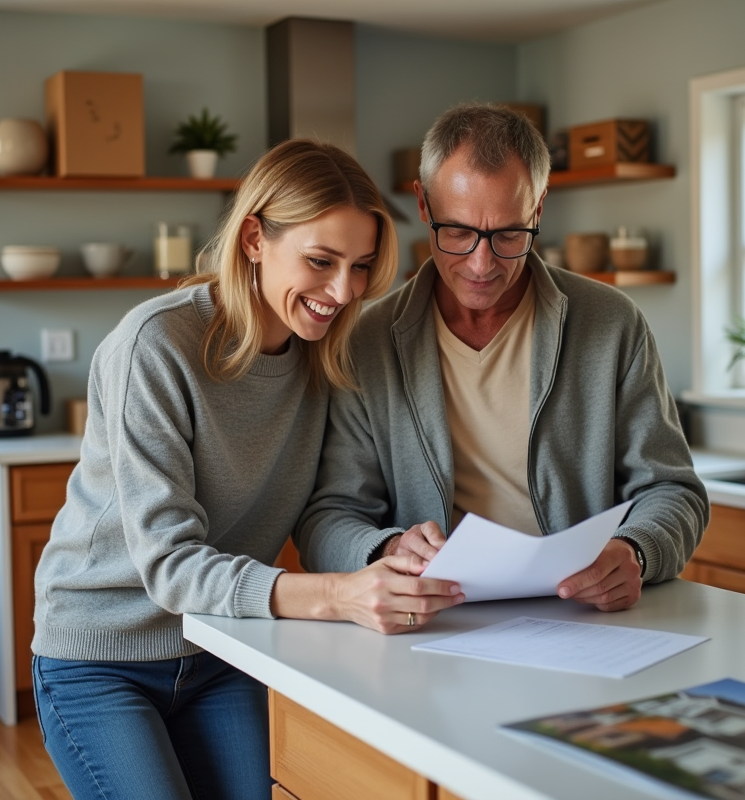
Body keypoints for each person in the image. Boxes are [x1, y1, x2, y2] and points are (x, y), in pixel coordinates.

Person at [31, 139, 464, 800]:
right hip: (102, 657)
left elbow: (324, 509)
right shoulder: (156, 345)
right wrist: (338, 596)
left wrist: (385, 548)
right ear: (255, 238)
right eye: (320, 261)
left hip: (222, 647)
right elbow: (171, 566)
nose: (342, 292)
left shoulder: (326, 356)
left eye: (360, 267)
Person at [298, 104, 709, 617]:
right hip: (433, 624)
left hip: (583, 621)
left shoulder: (612, 324)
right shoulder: (366, 342)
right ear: (423, 204)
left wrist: (637, 551)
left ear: (538, 209)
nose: (481, 264)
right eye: (458, 232)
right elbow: (328, 517)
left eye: (509, 235)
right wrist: (388, 549)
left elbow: (673, 489)